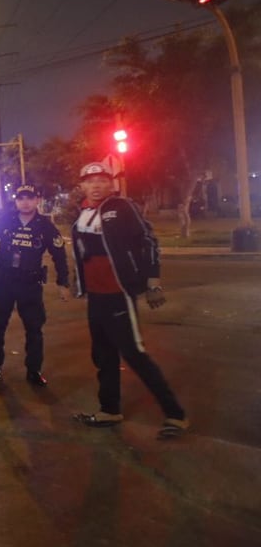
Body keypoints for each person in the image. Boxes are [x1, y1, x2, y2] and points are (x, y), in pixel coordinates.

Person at [71, 162, 187, 439]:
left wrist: (153, 281)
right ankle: (109, 410)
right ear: (82, 186)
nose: (96, 185)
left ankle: (175, 415)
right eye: (90, 181)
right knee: (103, 356)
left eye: (102, 180)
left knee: (134, 354)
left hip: (118, 295)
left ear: (111, 184)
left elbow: (148, 241)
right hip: (96, 297)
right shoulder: (82, 214)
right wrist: (78, 285)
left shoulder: (122, 208)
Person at [0, 185, 69, 386]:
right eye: (21, 198)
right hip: (3, 282)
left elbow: (59, 255)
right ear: (15, 201)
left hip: (30, 285)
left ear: (37, 200)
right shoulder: (5, 221)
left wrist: (63, 282)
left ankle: (34, 370)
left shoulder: (45, 226)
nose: (25, 202)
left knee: (34, 329)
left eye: (29, 198)